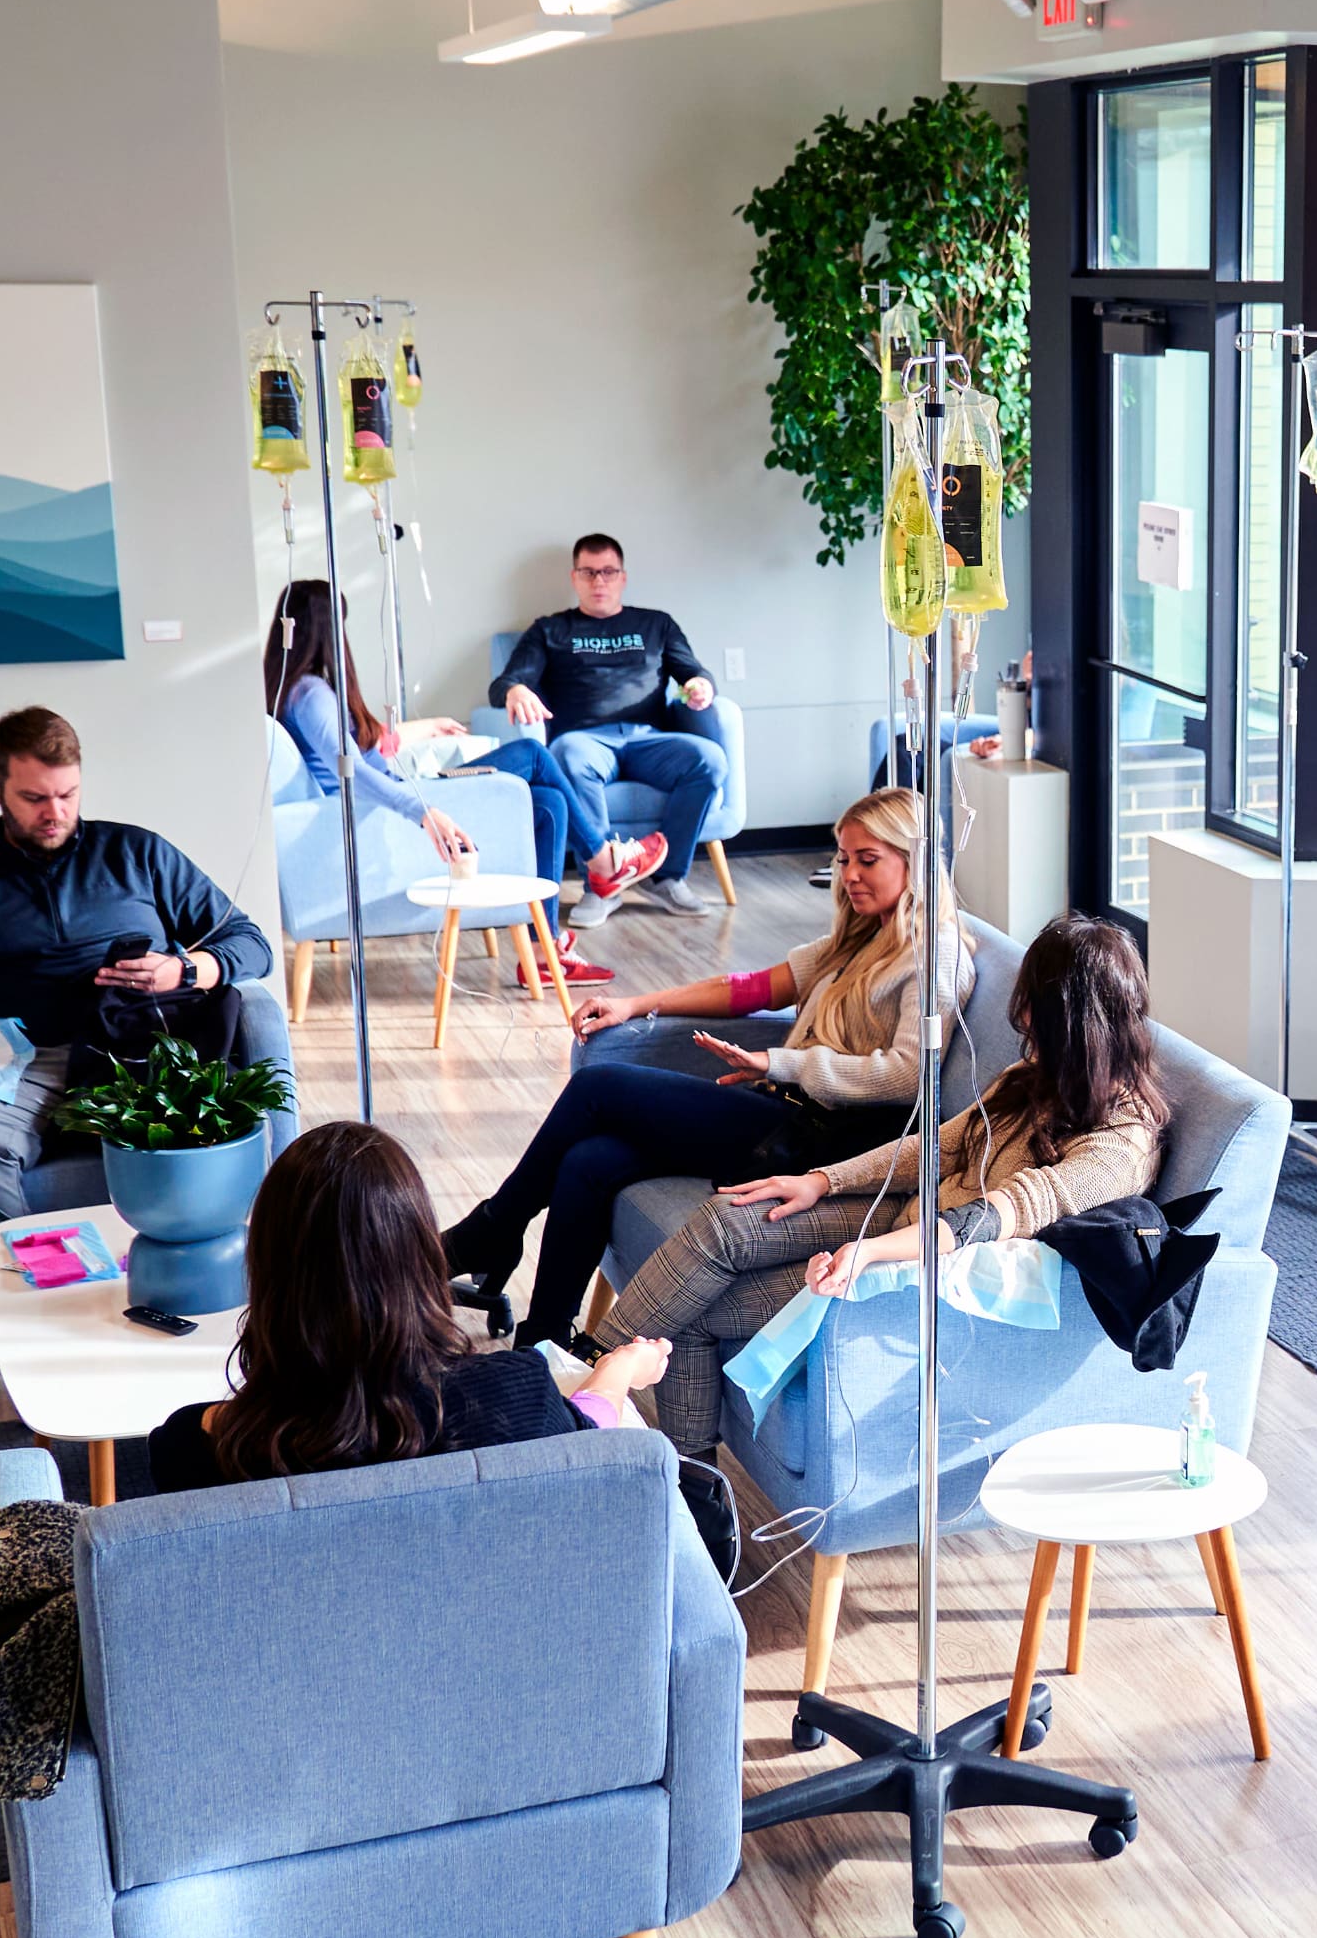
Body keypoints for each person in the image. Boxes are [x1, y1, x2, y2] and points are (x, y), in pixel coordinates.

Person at [570, 911, 1169, 1459]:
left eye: (1037, 1007)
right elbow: (939, 1147)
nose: (1025, 1022)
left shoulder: (1121, 1141)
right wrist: (820, 1181)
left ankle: (634, 1448)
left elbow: (995, 1216)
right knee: (730, 1221)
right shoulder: (1037, 1076)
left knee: (698, 1315)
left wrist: (870, 1252)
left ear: (1077, 1019)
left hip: (937, 1273)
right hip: (903, 1219)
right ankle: (593, 1375)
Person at [441, 789, 969, 1349]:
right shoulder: (861, 937)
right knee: (587, 1161)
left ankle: (493, 1229)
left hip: (829, 1144)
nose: (850, 874)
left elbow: (911, 1074)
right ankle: (542, 1346)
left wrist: (781, 1062)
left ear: (915, 862)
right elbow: (751, 988)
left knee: (598, 1086)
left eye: (869, 860)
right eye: (843, 858)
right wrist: (635, 1005)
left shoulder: (935, 952)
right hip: (787, 1114)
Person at [0, 707, 273, 1254]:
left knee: (233, 1119)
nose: (55, 812)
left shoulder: (138, 853)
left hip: (139, 1052)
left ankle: (220, 1291)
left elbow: (248, 942)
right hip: (22, 1063)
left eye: (68, 794)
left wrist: (182, 969)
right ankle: (40, 1298)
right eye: (35, 798)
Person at [142, 1122, 616, 1494]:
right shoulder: (516, 1395)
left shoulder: (193, 1448)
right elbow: (590, 1436)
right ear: (420, 1256)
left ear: (270, 1272)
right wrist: (617, 1373)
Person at [263, 581, 639, 989]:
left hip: (404, 795)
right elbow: (353, 771)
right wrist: (423, 812)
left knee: (548, 803)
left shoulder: (299, 690)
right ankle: (602, 860)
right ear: (327, 629)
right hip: (399, 808)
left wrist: (421, 730)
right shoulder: (313, 693)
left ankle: (540, 950)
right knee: (532, 753)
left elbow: (356, 750)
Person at [491, 533, 721, 915]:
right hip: (585, 741)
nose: (599, 581)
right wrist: (515, 690)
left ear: (623, 577)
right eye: (589, 572)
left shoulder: (657, 625)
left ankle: (666, 877)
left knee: (709, 759)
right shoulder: (550, 630)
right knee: (568, 754)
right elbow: (504, 683)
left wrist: (701, 685)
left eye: (608, 572)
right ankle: (601, 886)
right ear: (574, 578)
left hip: (649, 740)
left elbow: (694, 671)